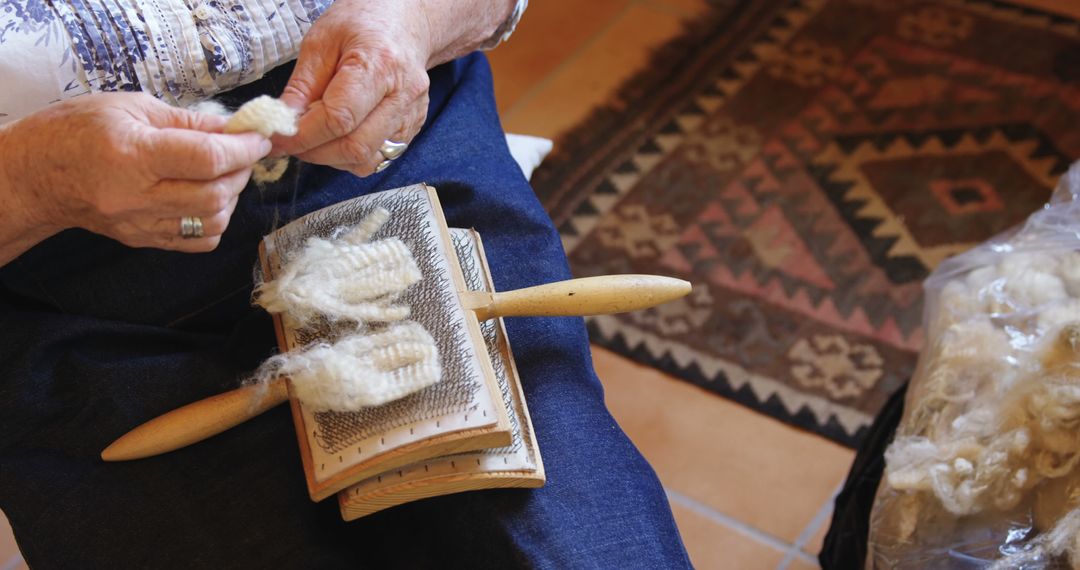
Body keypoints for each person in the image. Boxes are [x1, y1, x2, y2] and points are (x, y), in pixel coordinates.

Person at [0, 0, 693, 567]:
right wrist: (33, 181)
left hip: (383, 147)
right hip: (49, 277)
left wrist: (413, 21)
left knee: (572, 547)